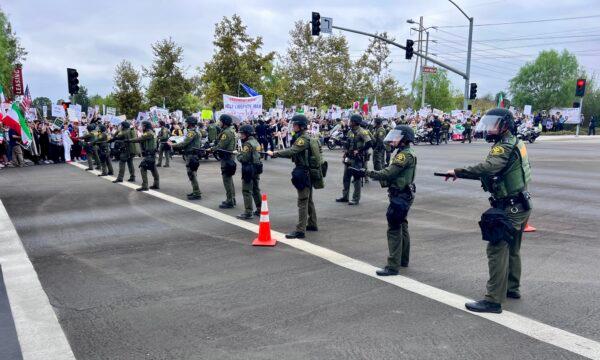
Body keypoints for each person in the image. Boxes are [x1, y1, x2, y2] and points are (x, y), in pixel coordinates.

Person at [444, 108, 532, 314]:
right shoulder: (516, 142)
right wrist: (462, 175)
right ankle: (512, 287)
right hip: (521, 203)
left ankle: (493, 300)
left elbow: (488, 168)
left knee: (496, 249)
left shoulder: (502, 147)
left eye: (493, 124)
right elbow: (497, 172)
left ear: (504, 126)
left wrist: (458, 171)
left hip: (510, 206)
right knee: (513, 248)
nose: (489, 128)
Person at [360, 125, 417, 276]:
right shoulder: (404, 152)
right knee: (402, 225)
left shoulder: (403, 155)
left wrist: (367, 172)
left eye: (397, 136)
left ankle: (393, 266)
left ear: (404, 139)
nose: (393, 139)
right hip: (404, 193)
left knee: (394, 229)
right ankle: (403, 260)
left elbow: (389, 172)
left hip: (400, 195)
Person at [267, 115, 317, 239]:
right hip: (307, 171)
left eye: (295, 125)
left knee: (302, 201)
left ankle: (300, 230)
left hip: (303, 171)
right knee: (308, 199)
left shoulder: (303, 139)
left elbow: (292, 151)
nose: (293, 127)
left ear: (301, 126)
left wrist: (275, 153)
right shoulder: (303, 137)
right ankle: (312, 223)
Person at [336, 114, 372, 205]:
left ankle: (355, 199)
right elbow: (348, 143)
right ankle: (345, 197)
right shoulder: (350, 131)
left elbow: (369, 143)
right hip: (349, 157)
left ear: (355, 122)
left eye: (351, 121)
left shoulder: (362, 132)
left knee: (356, 179)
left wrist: (359, 151)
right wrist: (345, 152)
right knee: (346, 178)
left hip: (357, 159)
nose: (349, 122)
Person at [169, 117, 202, 200]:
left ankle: (197, 193)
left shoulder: (191, 132)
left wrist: (173, 145)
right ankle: (195, 191)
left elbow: (184, 143)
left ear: (190, 124)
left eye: (186, 122)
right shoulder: (194, 131)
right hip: (192, 155)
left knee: (192, 174)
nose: (185, 124)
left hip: (191, 156)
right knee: (192, 174)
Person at [236, 124, 263, 219]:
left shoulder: (247, 144)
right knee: (256, 189)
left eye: (242, 134)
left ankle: (248, 212)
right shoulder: (256, 142)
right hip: (257, 168)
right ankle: (260, 209)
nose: (241, 136)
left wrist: (238, 155)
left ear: (247, 134)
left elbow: (244, 158)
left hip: (249, 169)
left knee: (247, 190)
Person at [212, 114, 237, 209]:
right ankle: (232, 199)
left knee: (227, 180)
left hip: (227, 158)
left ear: (225, 123)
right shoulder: (232, 130)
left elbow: (220, 146)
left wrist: (211, 149)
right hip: (230, 157)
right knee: (229, 179)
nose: (220, 123)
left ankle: (230, 200)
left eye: (221, 121)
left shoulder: (226, 133)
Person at [128, 121, 159, 191]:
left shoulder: (148, 133)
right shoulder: (152, 132)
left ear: (145, 126)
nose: (141, 127)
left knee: (143, 168)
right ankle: (156, 184)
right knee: (153, 168)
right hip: (152, 153)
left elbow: (140, 139)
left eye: (142, 126)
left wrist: (129, 140)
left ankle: (145, 186)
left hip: (149, 154)